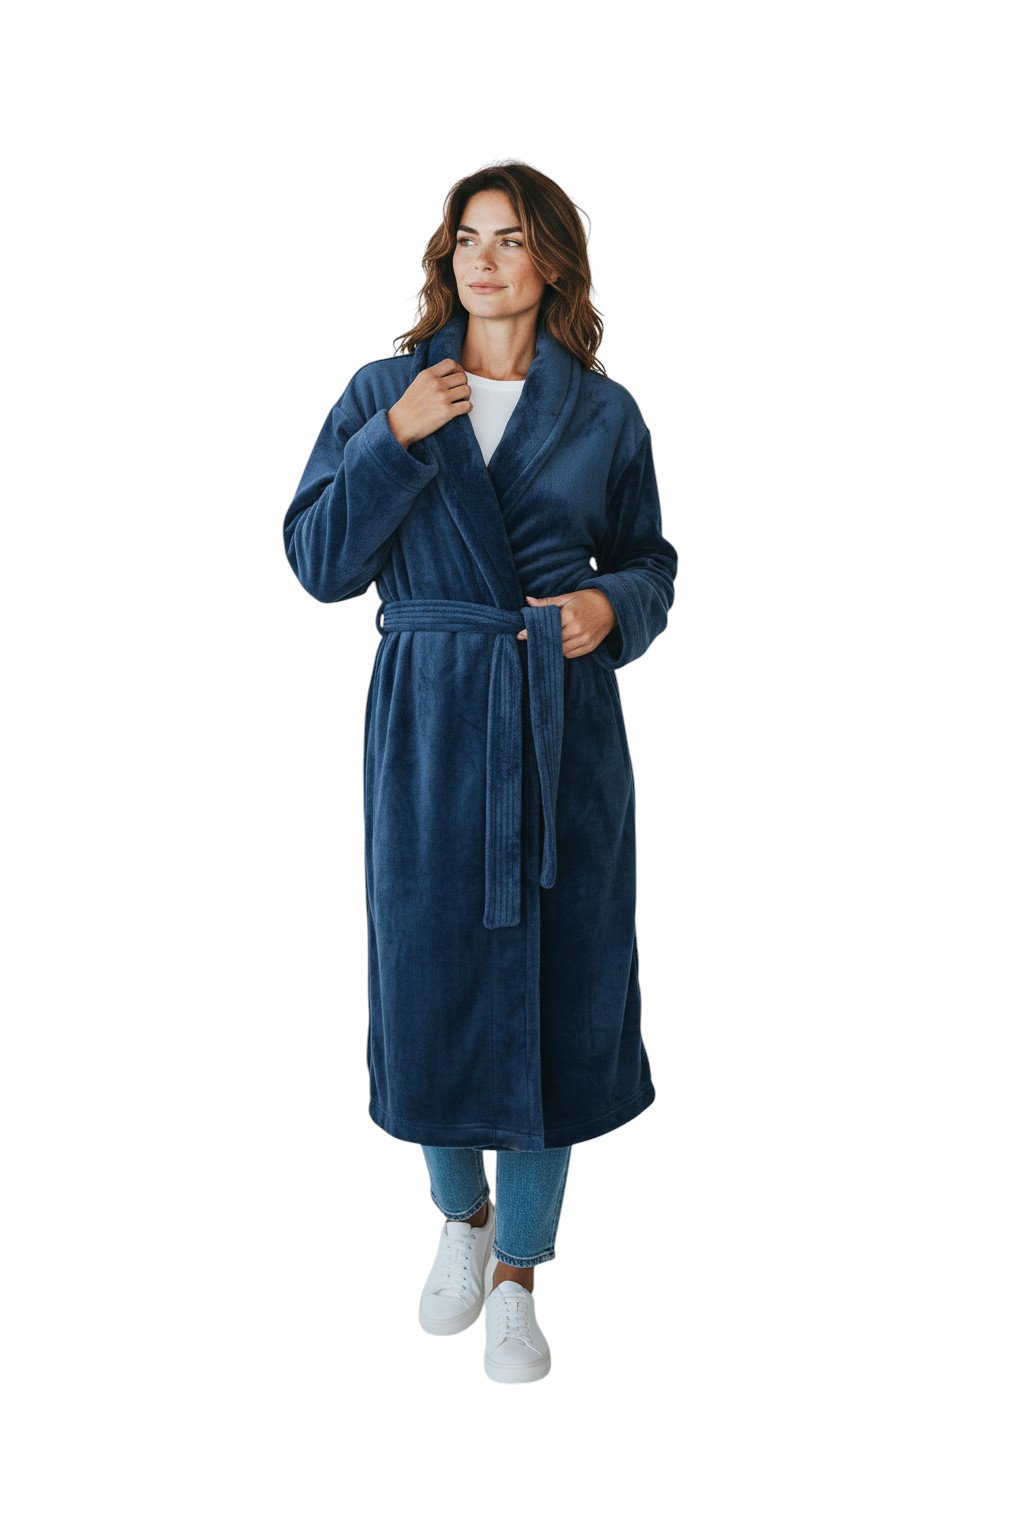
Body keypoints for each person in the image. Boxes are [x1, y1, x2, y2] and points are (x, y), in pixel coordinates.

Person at [283, 161, 678, 1384]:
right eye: (466, 238)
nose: (483, 260)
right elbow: (317, 561)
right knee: (428, 975)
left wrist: (609, 610)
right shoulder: (385, 390)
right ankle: (460, 1216)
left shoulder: (602, 413)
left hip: (561, 729)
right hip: (434, 725)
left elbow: (650, 560)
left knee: (565, 987)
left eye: (509, 239)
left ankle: (520, 1270)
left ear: (550, 260)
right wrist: (393, 441)